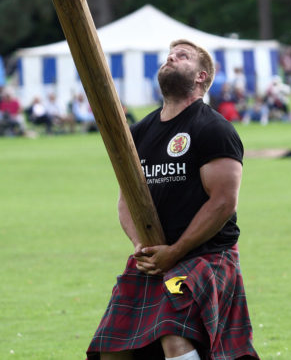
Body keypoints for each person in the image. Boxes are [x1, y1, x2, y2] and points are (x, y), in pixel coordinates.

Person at [86, 39, 259, 360]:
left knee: (173, 335)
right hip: (154, 255)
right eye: (169, 55)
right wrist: (143, 246)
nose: (171, 58)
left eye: (183, 56)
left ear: (201, 77)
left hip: (204, 255)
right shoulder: (138, 133)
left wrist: (175, 252)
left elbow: (223, 202)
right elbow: (126, 200)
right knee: (113, 347)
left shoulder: (213, 128)